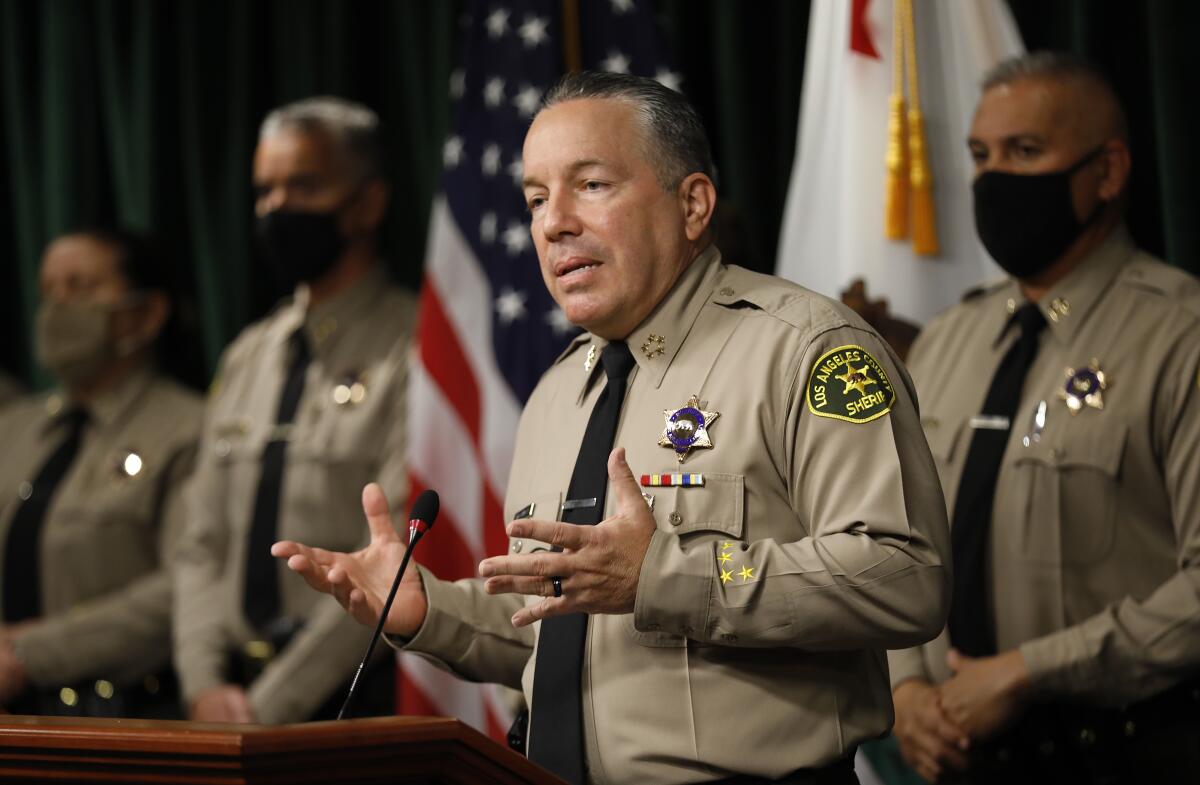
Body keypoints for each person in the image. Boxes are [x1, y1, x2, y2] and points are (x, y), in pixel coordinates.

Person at [274, 72, 951, 785]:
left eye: (590, 185)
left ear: (693, 204)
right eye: (535, 198)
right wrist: (424, 610)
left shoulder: (808, 349)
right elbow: (568, 638)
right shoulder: (557, 393)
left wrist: (665, 574)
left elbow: (906, 575)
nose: (552, 222)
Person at [888, 52, 1200, 784]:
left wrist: (1030, 671)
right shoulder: (945, 340)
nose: (994, 179)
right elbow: (891, 540)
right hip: (952, 761)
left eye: (1025, 152)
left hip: (1127, 756)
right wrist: (903, 688)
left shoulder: (1182, 335)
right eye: (979, 155)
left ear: (1108, 171)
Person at [172, 97, 416, 724]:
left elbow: (400, 559)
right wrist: (202, 684)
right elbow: (200, 546)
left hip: (350, 702)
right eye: (266, 190)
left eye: (304, 186)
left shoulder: (417, 348)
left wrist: (269, 707)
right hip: (226, 696)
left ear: (367, 203)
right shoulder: (251, 353)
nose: (278, 208)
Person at [0, 228, 202, 718]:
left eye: (81, 287)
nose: (59, 307)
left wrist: (31, 652)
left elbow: (191, 584)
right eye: (50, 290)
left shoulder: (190, 427)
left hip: (123, 720)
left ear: (149, 312)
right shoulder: (14, 427)